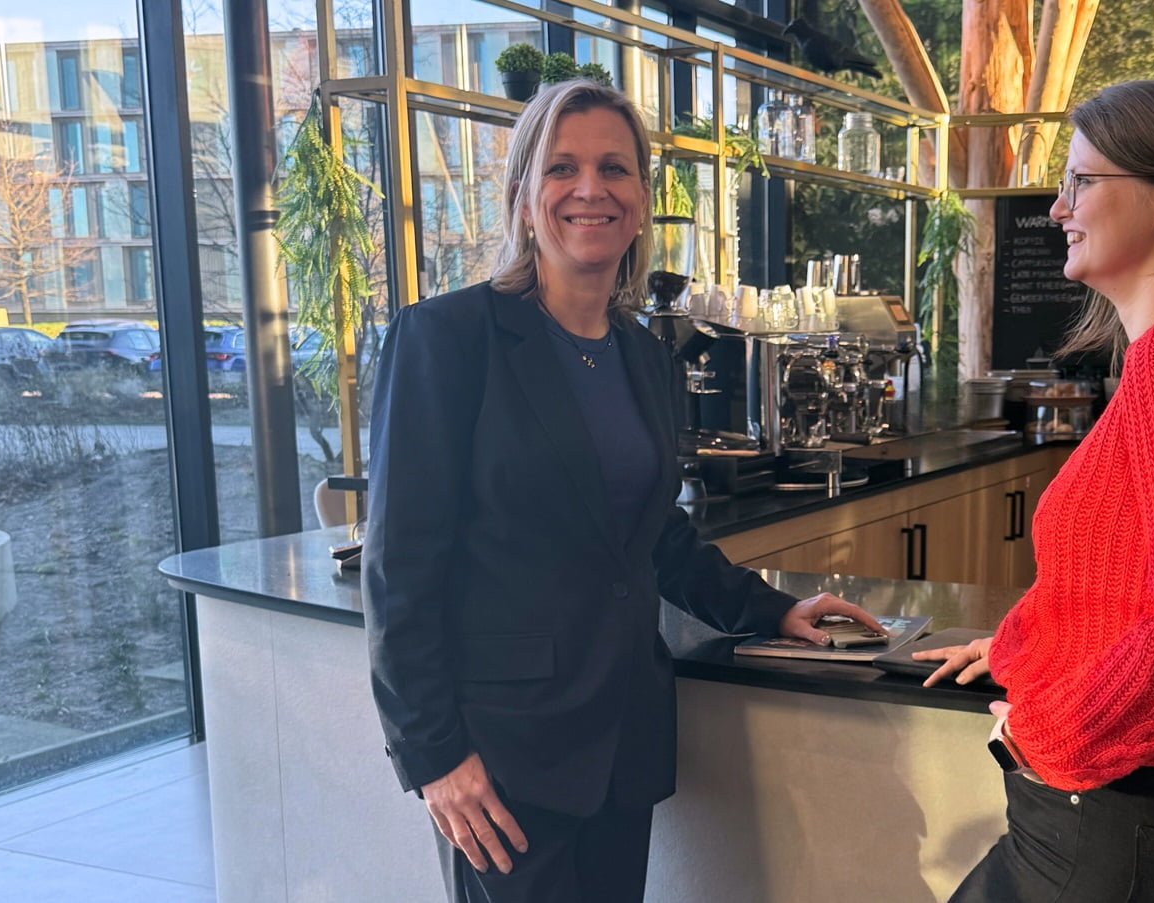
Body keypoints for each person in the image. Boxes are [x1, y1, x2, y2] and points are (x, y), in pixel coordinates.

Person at [362, 79, 883, 903]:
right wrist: (434, 757)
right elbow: (399, 569)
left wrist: (770, 609)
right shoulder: (446, 339)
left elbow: (648, 532)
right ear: (524, 196)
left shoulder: (643, 355)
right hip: (502, 758)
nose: (590, 189)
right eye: (561, 167)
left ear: (641, 199)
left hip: (621, 739)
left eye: (614, 168)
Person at [914, 77, 1154, 902]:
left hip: (1117, 813)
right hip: (1124, 812)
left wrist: (1040, 735)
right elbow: (1114, 577)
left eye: (1081, 181)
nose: (1057, 208)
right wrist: (1020, 647)